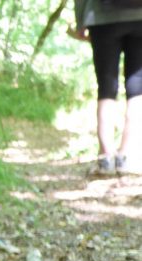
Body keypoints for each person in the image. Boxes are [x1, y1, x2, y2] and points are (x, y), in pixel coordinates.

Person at [72, 0, 142, 175]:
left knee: (106, 87)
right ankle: (125, 156)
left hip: (102, 17)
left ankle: (106, 157)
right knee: (138, 87)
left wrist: (80, 21)